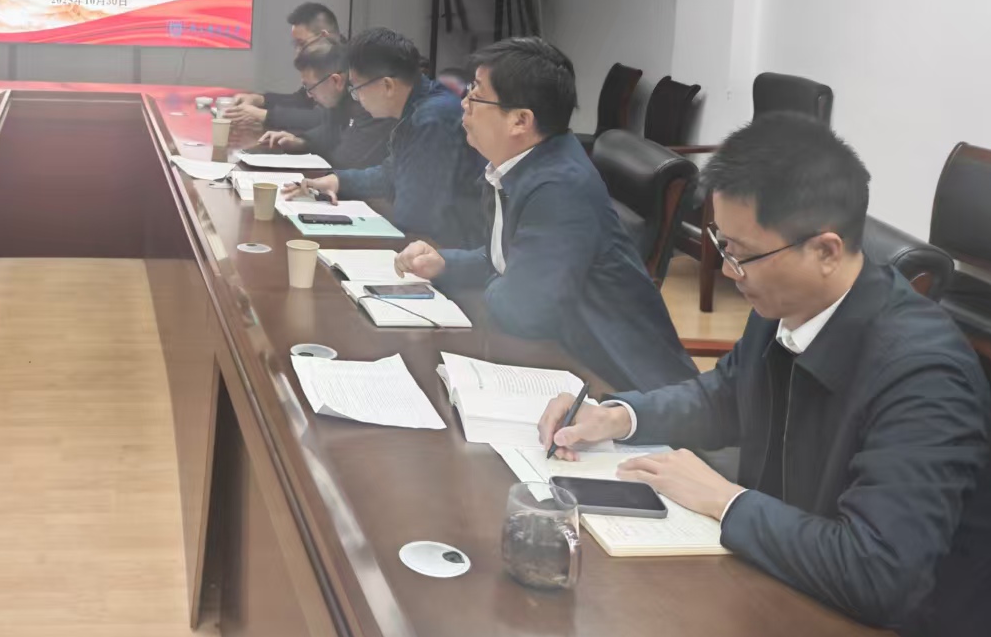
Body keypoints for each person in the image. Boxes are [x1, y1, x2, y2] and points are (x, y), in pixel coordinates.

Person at [537, 114, 991, 637]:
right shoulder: (787, 303)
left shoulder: (925, 374)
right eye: (723, 245)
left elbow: (880, 573)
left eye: (742, 254)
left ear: (826, 251)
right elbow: (727, 395)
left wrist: (726, 501)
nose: (730, 271)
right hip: (792, 591)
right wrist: (620, 416)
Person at [394, 37, 695, 391]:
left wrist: (505, 283)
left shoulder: (558, 189)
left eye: (476, 94)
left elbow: (523, 310)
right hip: (566, 360)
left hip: (621, 387)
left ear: (520, 121)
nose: (464, 103)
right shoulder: (523, 166)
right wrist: (444, 263)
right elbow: (507, 262)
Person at [286, 27, 481, 248]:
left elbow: (414, 216)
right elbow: (392, 172)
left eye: (357, 88)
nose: (357, 98)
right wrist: (337, 181)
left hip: (450, 248)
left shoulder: (431, 119)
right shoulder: (420, 105)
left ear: (387, 85)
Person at [254, 37, 395, 171]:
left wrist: (310, 148)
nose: (309, 94)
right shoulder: (339, 97)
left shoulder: (370, 102)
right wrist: (300, 142)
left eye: (310, 87)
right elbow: (328, 132)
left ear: (336, 81)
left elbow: (345, 161)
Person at [224, 2, 340, 134]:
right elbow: (301, 100)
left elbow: (325, 119)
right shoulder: (324, 61)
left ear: (324, 36)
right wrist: (259, 100)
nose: (298, 51)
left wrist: (263, 115)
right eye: (295, 44)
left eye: (302, 43)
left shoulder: (348, 66)